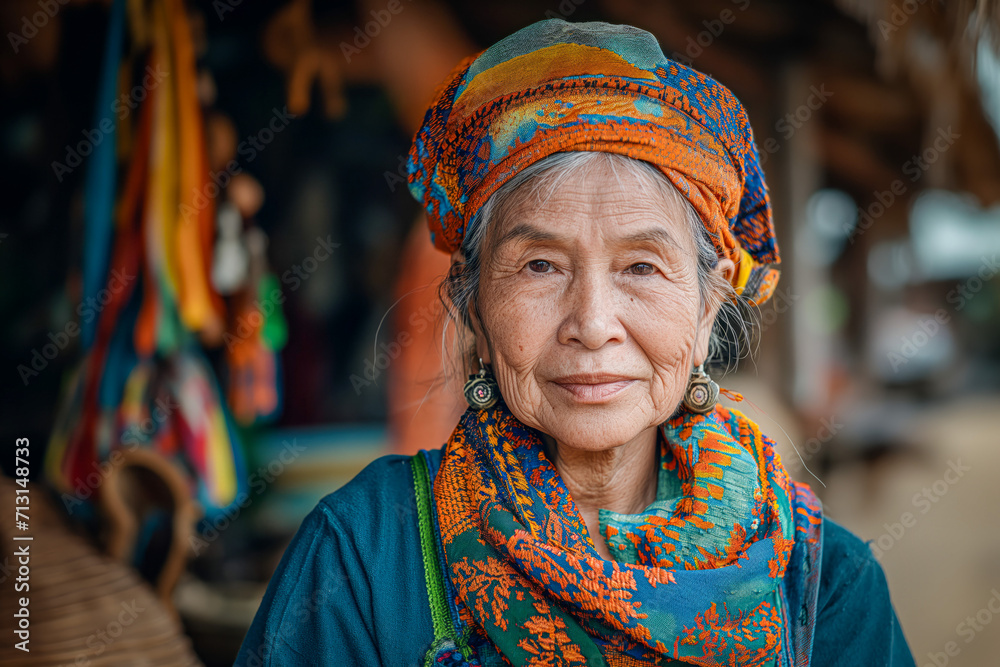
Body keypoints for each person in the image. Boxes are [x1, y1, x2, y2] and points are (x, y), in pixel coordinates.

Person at [237, 19, 915, 666]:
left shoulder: (823, 585)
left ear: (708, 310)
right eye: (540, 266)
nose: (592, 323)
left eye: (641, 267)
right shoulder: (363, 557)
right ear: (473, 306)